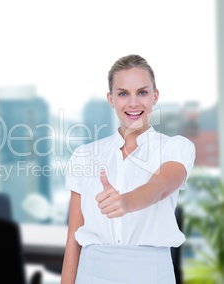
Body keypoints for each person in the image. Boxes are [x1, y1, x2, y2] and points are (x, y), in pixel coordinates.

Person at [61, 54, 195, 284]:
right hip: (91, 274)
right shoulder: (85, 156)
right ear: (111, 99)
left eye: (142, 92)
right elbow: (74, 235)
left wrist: (125, 202)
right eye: (123, 93)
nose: (133, 103)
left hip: (151, 275)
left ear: (155, 96)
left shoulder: (175, 148)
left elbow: (160, 186)